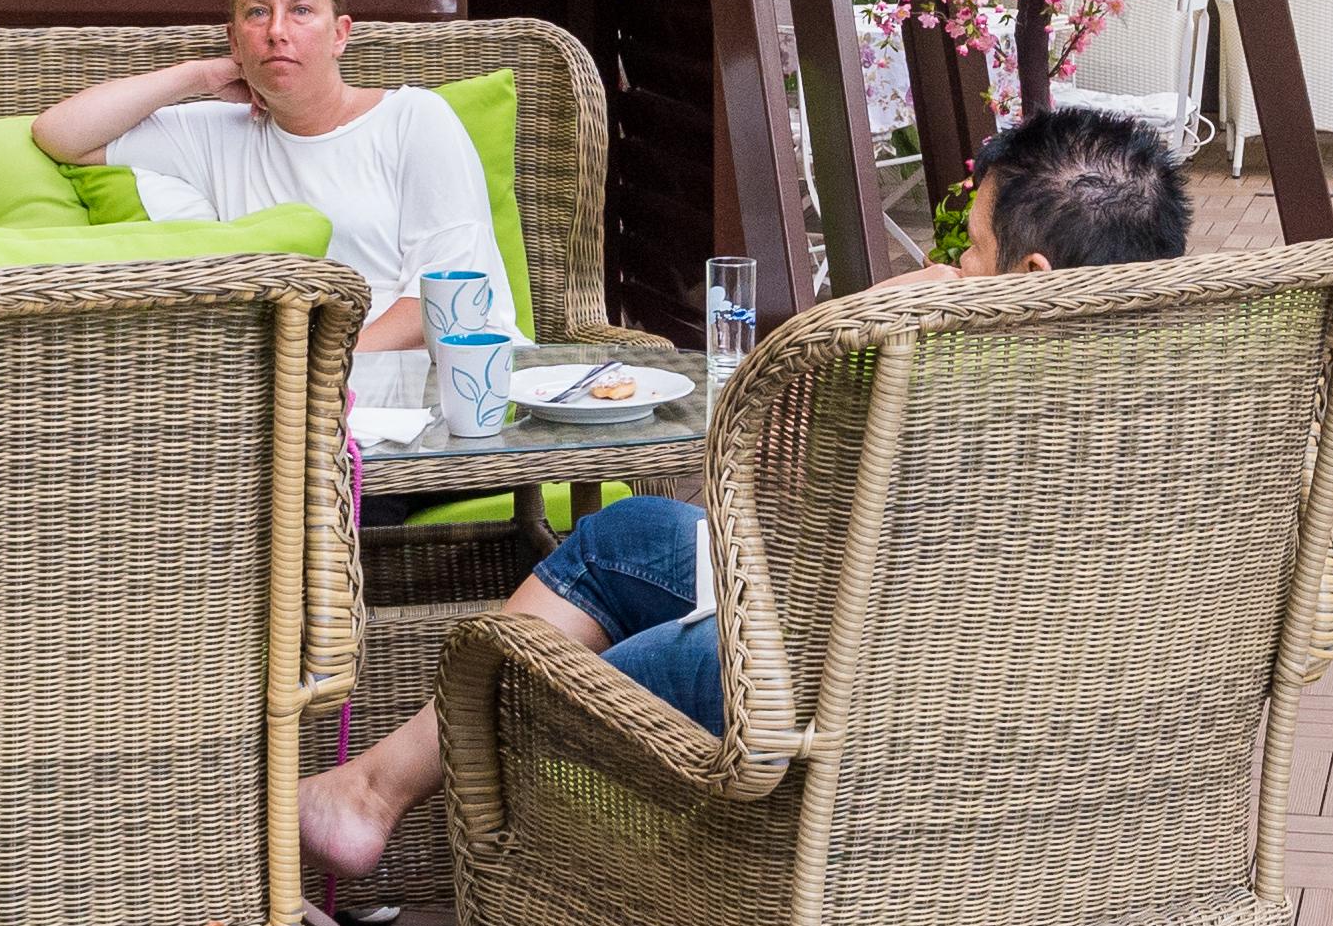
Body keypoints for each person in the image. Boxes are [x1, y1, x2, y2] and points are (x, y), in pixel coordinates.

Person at [289, 103, 1195, 884]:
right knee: (630, 533)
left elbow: (779, 520)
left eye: (974, 251)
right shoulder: (1203, 384)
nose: (956, 269)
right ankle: (368, 793)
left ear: (1031, 282)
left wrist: (865, 328)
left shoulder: (964, 393)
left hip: (860, 693)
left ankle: (404, 807)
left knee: (522, 685)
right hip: (1044, 690)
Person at [31, 0, 502, 357]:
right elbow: (61, 135)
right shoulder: (220, 133)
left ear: (340, 33)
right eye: (257, 13)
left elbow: (451, 292)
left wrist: (323, 369)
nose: (277, 29)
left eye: (301, 10)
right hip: (293, 395)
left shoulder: (413, 118)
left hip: (429, 373)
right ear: (235, 40)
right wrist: (196, 76)